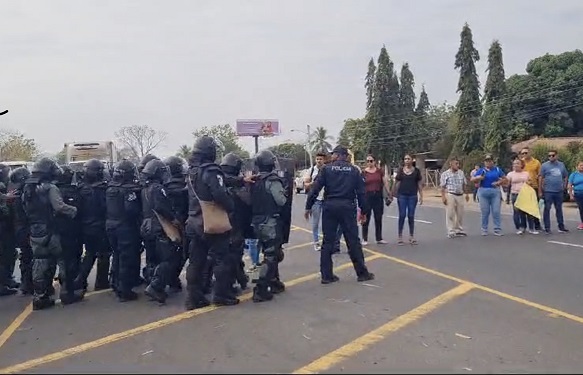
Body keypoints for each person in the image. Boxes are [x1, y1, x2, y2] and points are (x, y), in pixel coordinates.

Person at [305, 145, 375, 284]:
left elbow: (315, 189)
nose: (331, 157)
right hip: (347, 207)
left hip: (330, 206)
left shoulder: (326, 169)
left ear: (338, 155)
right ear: (346, 156)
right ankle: (362, 273)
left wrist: (308, 206)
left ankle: (326, 275)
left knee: (328, 242)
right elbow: (361, 193)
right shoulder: (354, 171)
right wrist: (364, 211)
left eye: (333, 154)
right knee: (353, 241)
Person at [184, 136, 236, 310]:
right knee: (222, 258)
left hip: (193, 221)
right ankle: (221, 295)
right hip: (210, 221)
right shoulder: (212, 170)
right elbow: (219, 193)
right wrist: (231, 207)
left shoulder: (192, 171)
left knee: (196, 261)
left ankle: (193, 298)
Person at [22, 158, 79, 310]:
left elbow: (25, 210)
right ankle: (67, 293)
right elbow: (59, 206)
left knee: (40, 263)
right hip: (51, 229)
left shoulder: (27, 188)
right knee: (63, 260)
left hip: (35, 230)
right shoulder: (50, 188)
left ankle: (40, 297)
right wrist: (74, 210)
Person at [249, 150, 287, 302]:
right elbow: (281, 201)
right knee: (272, 255)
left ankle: (274, 282)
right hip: (270, 222)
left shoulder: (254, 180)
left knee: (271, 252)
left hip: (257, 222)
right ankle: (261, 289)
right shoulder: (273, 180)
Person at [106, 160, 142, 302]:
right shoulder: (128, 190)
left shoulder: (110, 188)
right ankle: (124, 290)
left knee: (117, 255)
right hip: (125, 227)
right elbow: (131, 210)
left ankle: (115, 284)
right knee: (127, 258)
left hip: (111, 226)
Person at [304, 150, 342, 252]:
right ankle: (316, 242)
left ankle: (327, 242)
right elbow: (306, 184)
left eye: (321, 159)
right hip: (316, 199)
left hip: (326, 199)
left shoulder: (328, 170)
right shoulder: (311, 170)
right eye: (317, 159)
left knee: (327, 223)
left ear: (324, 160)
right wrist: (315, 182)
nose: (319, 161)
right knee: (315, 223)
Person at [470, 154, 506, 236]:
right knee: (485, 211)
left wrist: (498, 182)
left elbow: (505, 178)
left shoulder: (497, 169)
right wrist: (479, 178)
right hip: (483, 191)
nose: (488, 163)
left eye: (490, 161)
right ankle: (484, 229)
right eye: (486, 161)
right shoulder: (481, 170)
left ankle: (497, 229)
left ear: (493, 161)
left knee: (496, 211)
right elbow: (472, 179)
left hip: (495, 191)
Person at [392, 154, 423, 245]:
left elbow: (419, 183)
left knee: (411, 215)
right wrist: (392, 193)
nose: (407, 160)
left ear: (412, 160)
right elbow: (396, 182)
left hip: (412, 196)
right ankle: (400, 236)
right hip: (402, 196)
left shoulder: (416, 171)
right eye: (405, 159)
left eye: (408, 159)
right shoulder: (401, 170)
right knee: (402, 215)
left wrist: (421, 195)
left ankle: (411, 236)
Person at [360, 155, 390, 245]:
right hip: (367, 196)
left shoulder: (379, 171)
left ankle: (379, 238)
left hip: (377, 195)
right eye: (368, 161)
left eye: (371, 161)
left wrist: (389, 192)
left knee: (378, 217)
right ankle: (365, 239)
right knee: (366, 218)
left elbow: (385, 182)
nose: (369, 163)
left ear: (375, 161)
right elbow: (360, 185)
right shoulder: (363, 173)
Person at [539, 149, 569, 234]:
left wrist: (565, 185)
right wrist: (540, 190)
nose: (551, 157)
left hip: (559, 191)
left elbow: (566, 175)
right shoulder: (544, 165)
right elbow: (541, 177)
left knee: (559, 209)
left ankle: (561, 227)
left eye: (553, 155)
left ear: (556, 156)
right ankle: (547, 227)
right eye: (549, 156)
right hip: (548, 191)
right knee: (547, 209)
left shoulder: (561, 165)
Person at [439, 158, 470, 238]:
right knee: (450, 213)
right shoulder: (445, 174)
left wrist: (466, 194)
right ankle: (450, 231)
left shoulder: (461, 173)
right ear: (451, 164)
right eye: (456, 164)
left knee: (460, 213)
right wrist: (443, 197)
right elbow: (442, 187)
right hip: (451, 194)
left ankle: (458, 229)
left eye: (458, 164)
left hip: (460, 194)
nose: (457, 165)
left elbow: (464, 184)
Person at [506, 159, 537, 235]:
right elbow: (508, 185)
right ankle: (521, 227)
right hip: (515, 194)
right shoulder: (510, 174)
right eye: (514, 164)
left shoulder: (526, 173)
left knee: (529, 212)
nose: (515, 165)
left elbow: (531, 183)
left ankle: (531, 228)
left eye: (517, 163)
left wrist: (529, 182)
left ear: (521, 165)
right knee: (518, 212)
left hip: (525, 194)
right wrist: (507, 197)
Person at [520, 147, 542, 230]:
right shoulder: (521, 162)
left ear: (530, 153)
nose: (524, 155)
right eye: (523, 153)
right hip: (523, 188)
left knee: (535, 207)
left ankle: (537, 224)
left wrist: (540, 189)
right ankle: (524, 226)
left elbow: (540, 176)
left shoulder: (536, 162)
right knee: (524, 208)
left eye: (526, 153)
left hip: (534, 187)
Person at [568, 161, 583, 230]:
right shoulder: (573, 175)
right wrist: (571, 195)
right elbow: (570, 185)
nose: (582, 167)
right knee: (581, 209)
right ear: (577, 166)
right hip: (578, 194)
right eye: (580, 165)